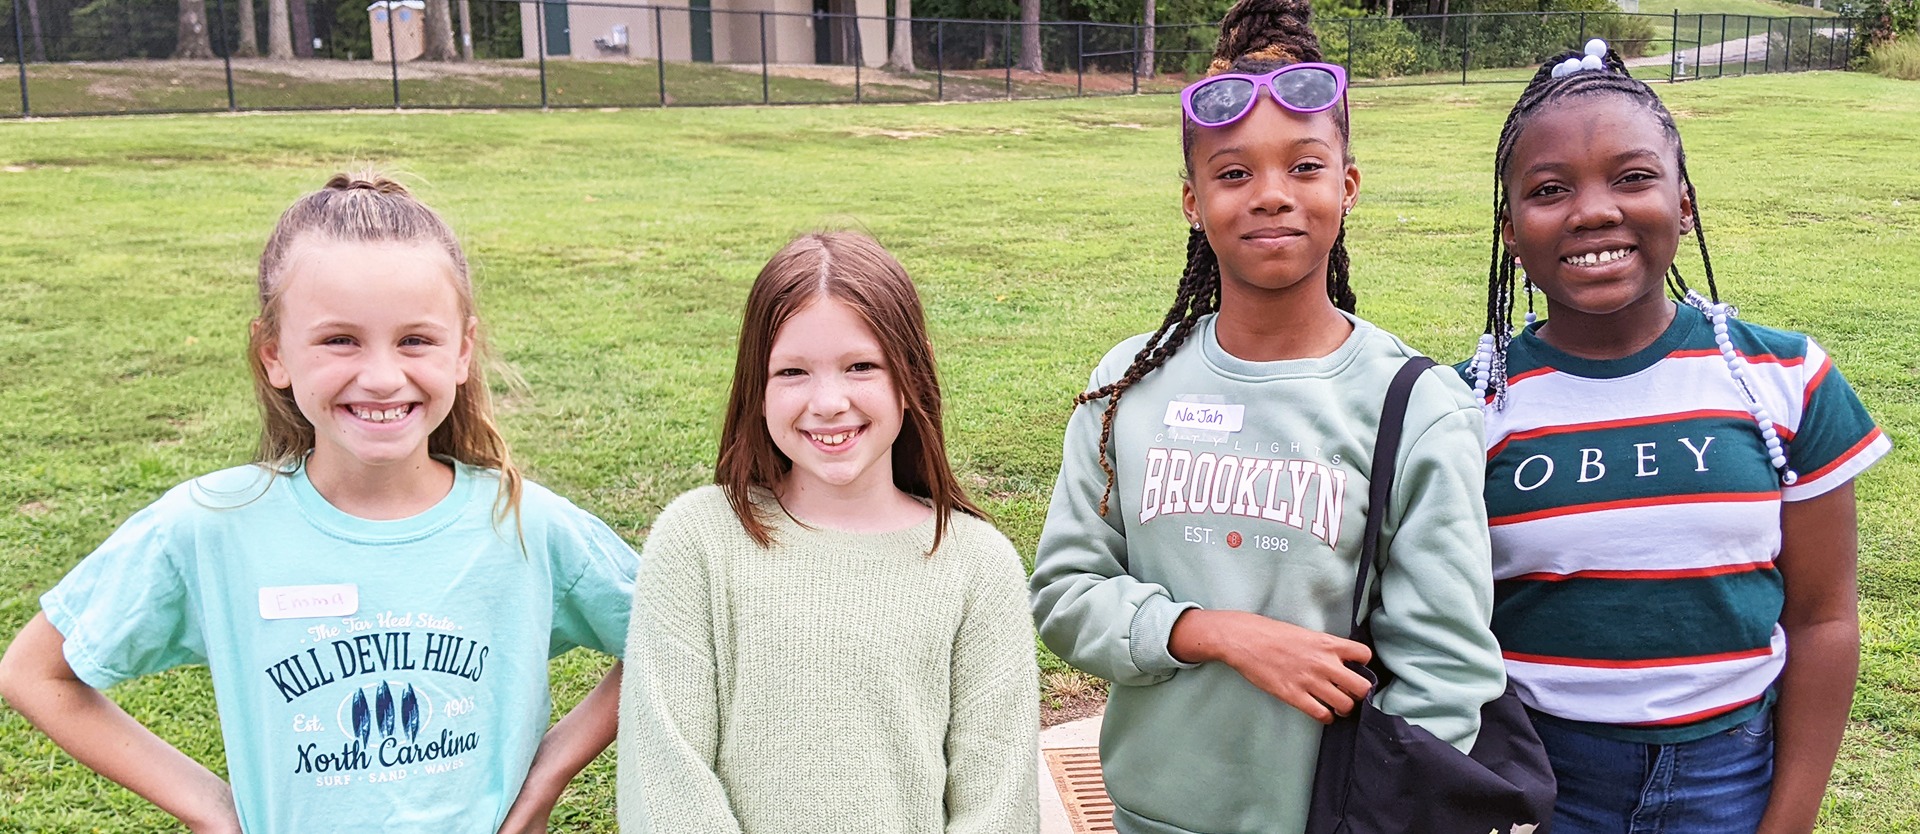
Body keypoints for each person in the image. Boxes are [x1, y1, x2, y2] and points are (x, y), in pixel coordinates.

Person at [0, 174, 637, 834]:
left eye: (415, 339)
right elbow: (34, 672)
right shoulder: (211, 527)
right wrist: (214, 810)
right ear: (273, 353)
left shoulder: (527, 524)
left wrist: (546, 776)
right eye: (340, 340)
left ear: (463, 351)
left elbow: (675, 637)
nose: (383, 376)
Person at [1027, 1, 1507, 831]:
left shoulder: (1416, 407)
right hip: (1152, 814)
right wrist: (1216, 632)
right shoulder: (1129, 385)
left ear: (1347, 186)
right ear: (1192, 200)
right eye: (1235, 173)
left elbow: (1446, 676)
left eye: (1306, 167)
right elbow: (1067, 595)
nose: (1272, 197)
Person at [1461, 41, 1891, 834]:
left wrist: (1788, 819)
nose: (1594, 210)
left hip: (1730, 780)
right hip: (1535, 781)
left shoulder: (1786, 380)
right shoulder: (1465, 409)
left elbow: (1824, 618)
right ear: (1511, 231)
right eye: (1550, 190)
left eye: (1632, 177)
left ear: (1685, 203)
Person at [615, 231, 1037, 834]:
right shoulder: (697, 540)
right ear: (756, 386)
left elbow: (998, 804)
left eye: (861, 366)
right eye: (792, 371)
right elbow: (666, 780)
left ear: (909, 377)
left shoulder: (976, 564)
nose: (829, 401)